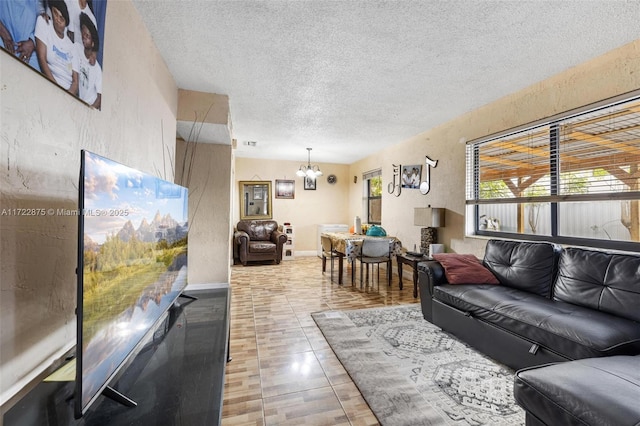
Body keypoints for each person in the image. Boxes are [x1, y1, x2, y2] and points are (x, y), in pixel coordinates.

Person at [34, 0, 79, 94]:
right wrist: (56, 90)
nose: (58, 19)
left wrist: (67, 96)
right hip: (50, 86)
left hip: (68, 92)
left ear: (66, 23)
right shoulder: (44, 23)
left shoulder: (72, 47)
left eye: (62, 18)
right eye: (55, 13)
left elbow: (75, 81)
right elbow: (42, 59)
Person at [0, 0, 43, 71]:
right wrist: (4, 34)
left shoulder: (38, 3)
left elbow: (45, 26)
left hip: (29, 51)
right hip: (3, 40)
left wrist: (32, 43)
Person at [76, 12, 101, 109]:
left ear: (93, 43)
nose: (84, 38)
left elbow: (100, 98)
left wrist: (89, 109)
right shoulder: (76, 49)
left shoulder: (97, 69)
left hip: (89, 107)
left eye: (88, 36)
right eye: (83, 35)